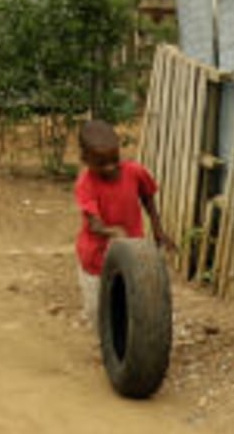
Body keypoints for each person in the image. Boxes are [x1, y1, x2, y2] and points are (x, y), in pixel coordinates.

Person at [73, 118, 170, 322]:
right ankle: (107, 347)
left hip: (132, 253)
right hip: (96, 258)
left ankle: (126, 349)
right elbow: (94, 224)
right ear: (85, 159)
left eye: (114, 160)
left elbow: (147, 197)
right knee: (97, 311)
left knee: (129, 304)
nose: (110, 167)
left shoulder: (134, 172)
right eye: (101, 164)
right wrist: (114, 232)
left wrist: (158, 230)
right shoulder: (86, 184)